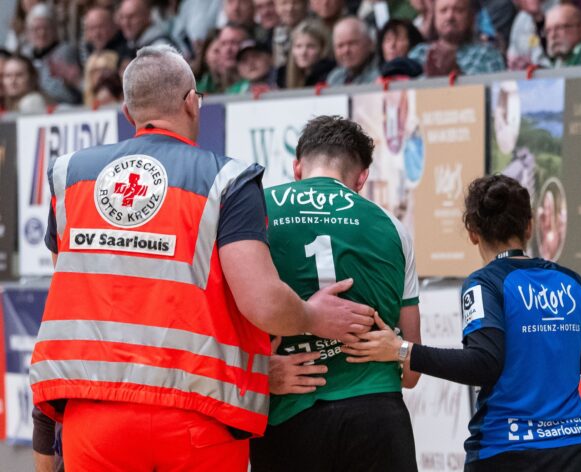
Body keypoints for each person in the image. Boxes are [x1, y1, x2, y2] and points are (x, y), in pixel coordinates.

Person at [29, 45, 374, 471]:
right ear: (192, 102)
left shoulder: (70, 174)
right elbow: (262, 302)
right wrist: (312, 316)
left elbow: (78, 286)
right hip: (195, 415)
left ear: (128, 110)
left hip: (92, 414)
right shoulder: (227, 180)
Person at [343, 174, 581, 472]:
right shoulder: (572, 282)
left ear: (473, 232)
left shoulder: (484, 284)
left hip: (506, 453)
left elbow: (483, 363)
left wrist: (402, 350)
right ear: (529, 227)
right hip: (578, 453)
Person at [250, 115, 421, 472]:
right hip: (377, 418)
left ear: (297, 168)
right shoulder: (393, 228)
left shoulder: (254, 211)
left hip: (289, 413)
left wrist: (258, 373)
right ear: (362, 178)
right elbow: (411, 372)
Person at [408, 0, 505, 76]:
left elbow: (493, 92)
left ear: (471, 17)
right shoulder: (418, 54)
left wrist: (456, 75)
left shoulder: (487, 55)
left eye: (458, 10)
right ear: (434, 18)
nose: (449, 16)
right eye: (443, 10)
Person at [277, 19, 335, 88]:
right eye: (298, 46)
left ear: (322, 49)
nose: (303, 52)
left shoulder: (332, 74)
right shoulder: (282, 76)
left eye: (310, 46)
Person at [326, 17, 380, 85]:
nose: (346, 51)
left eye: (352, 44)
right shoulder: (335, 78)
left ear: (370, 44)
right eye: (340, 46)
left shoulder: (382, 75)